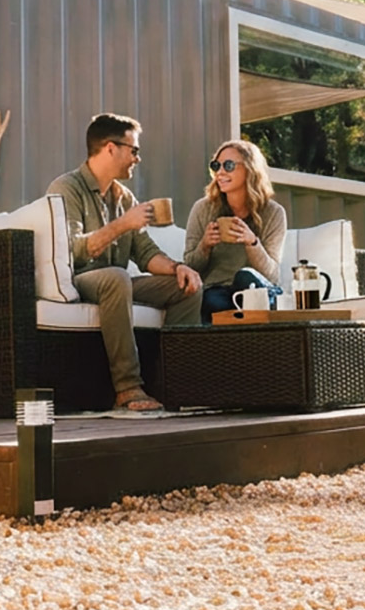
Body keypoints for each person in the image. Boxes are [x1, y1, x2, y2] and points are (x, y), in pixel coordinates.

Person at [47, 113, 202, 412]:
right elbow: (72, 250)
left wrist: (177, 268)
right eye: (134, 150)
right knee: (117, 277)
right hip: (79, 280)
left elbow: (145, 252)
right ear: (110, 148)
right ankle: (128, 388)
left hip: (116, 282)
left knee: (187, 287)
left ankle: (176, 385)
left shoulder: (124, 197)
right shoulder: (66, 188)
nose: (137, 159)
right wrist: (122, 225)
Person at [181, 139, 287, 322]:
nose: (220, 172)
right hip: (216, 291)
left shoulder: (273, 213)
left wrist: (252, 242)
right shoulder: (203, 209)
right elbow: (190, 268)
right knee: (212, 301)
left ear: (250, 169)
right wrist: (204, 246)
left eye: (228, 165)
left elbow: (272, 275)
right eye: (216, 166)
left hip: (255, 291)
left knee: (245, 277)